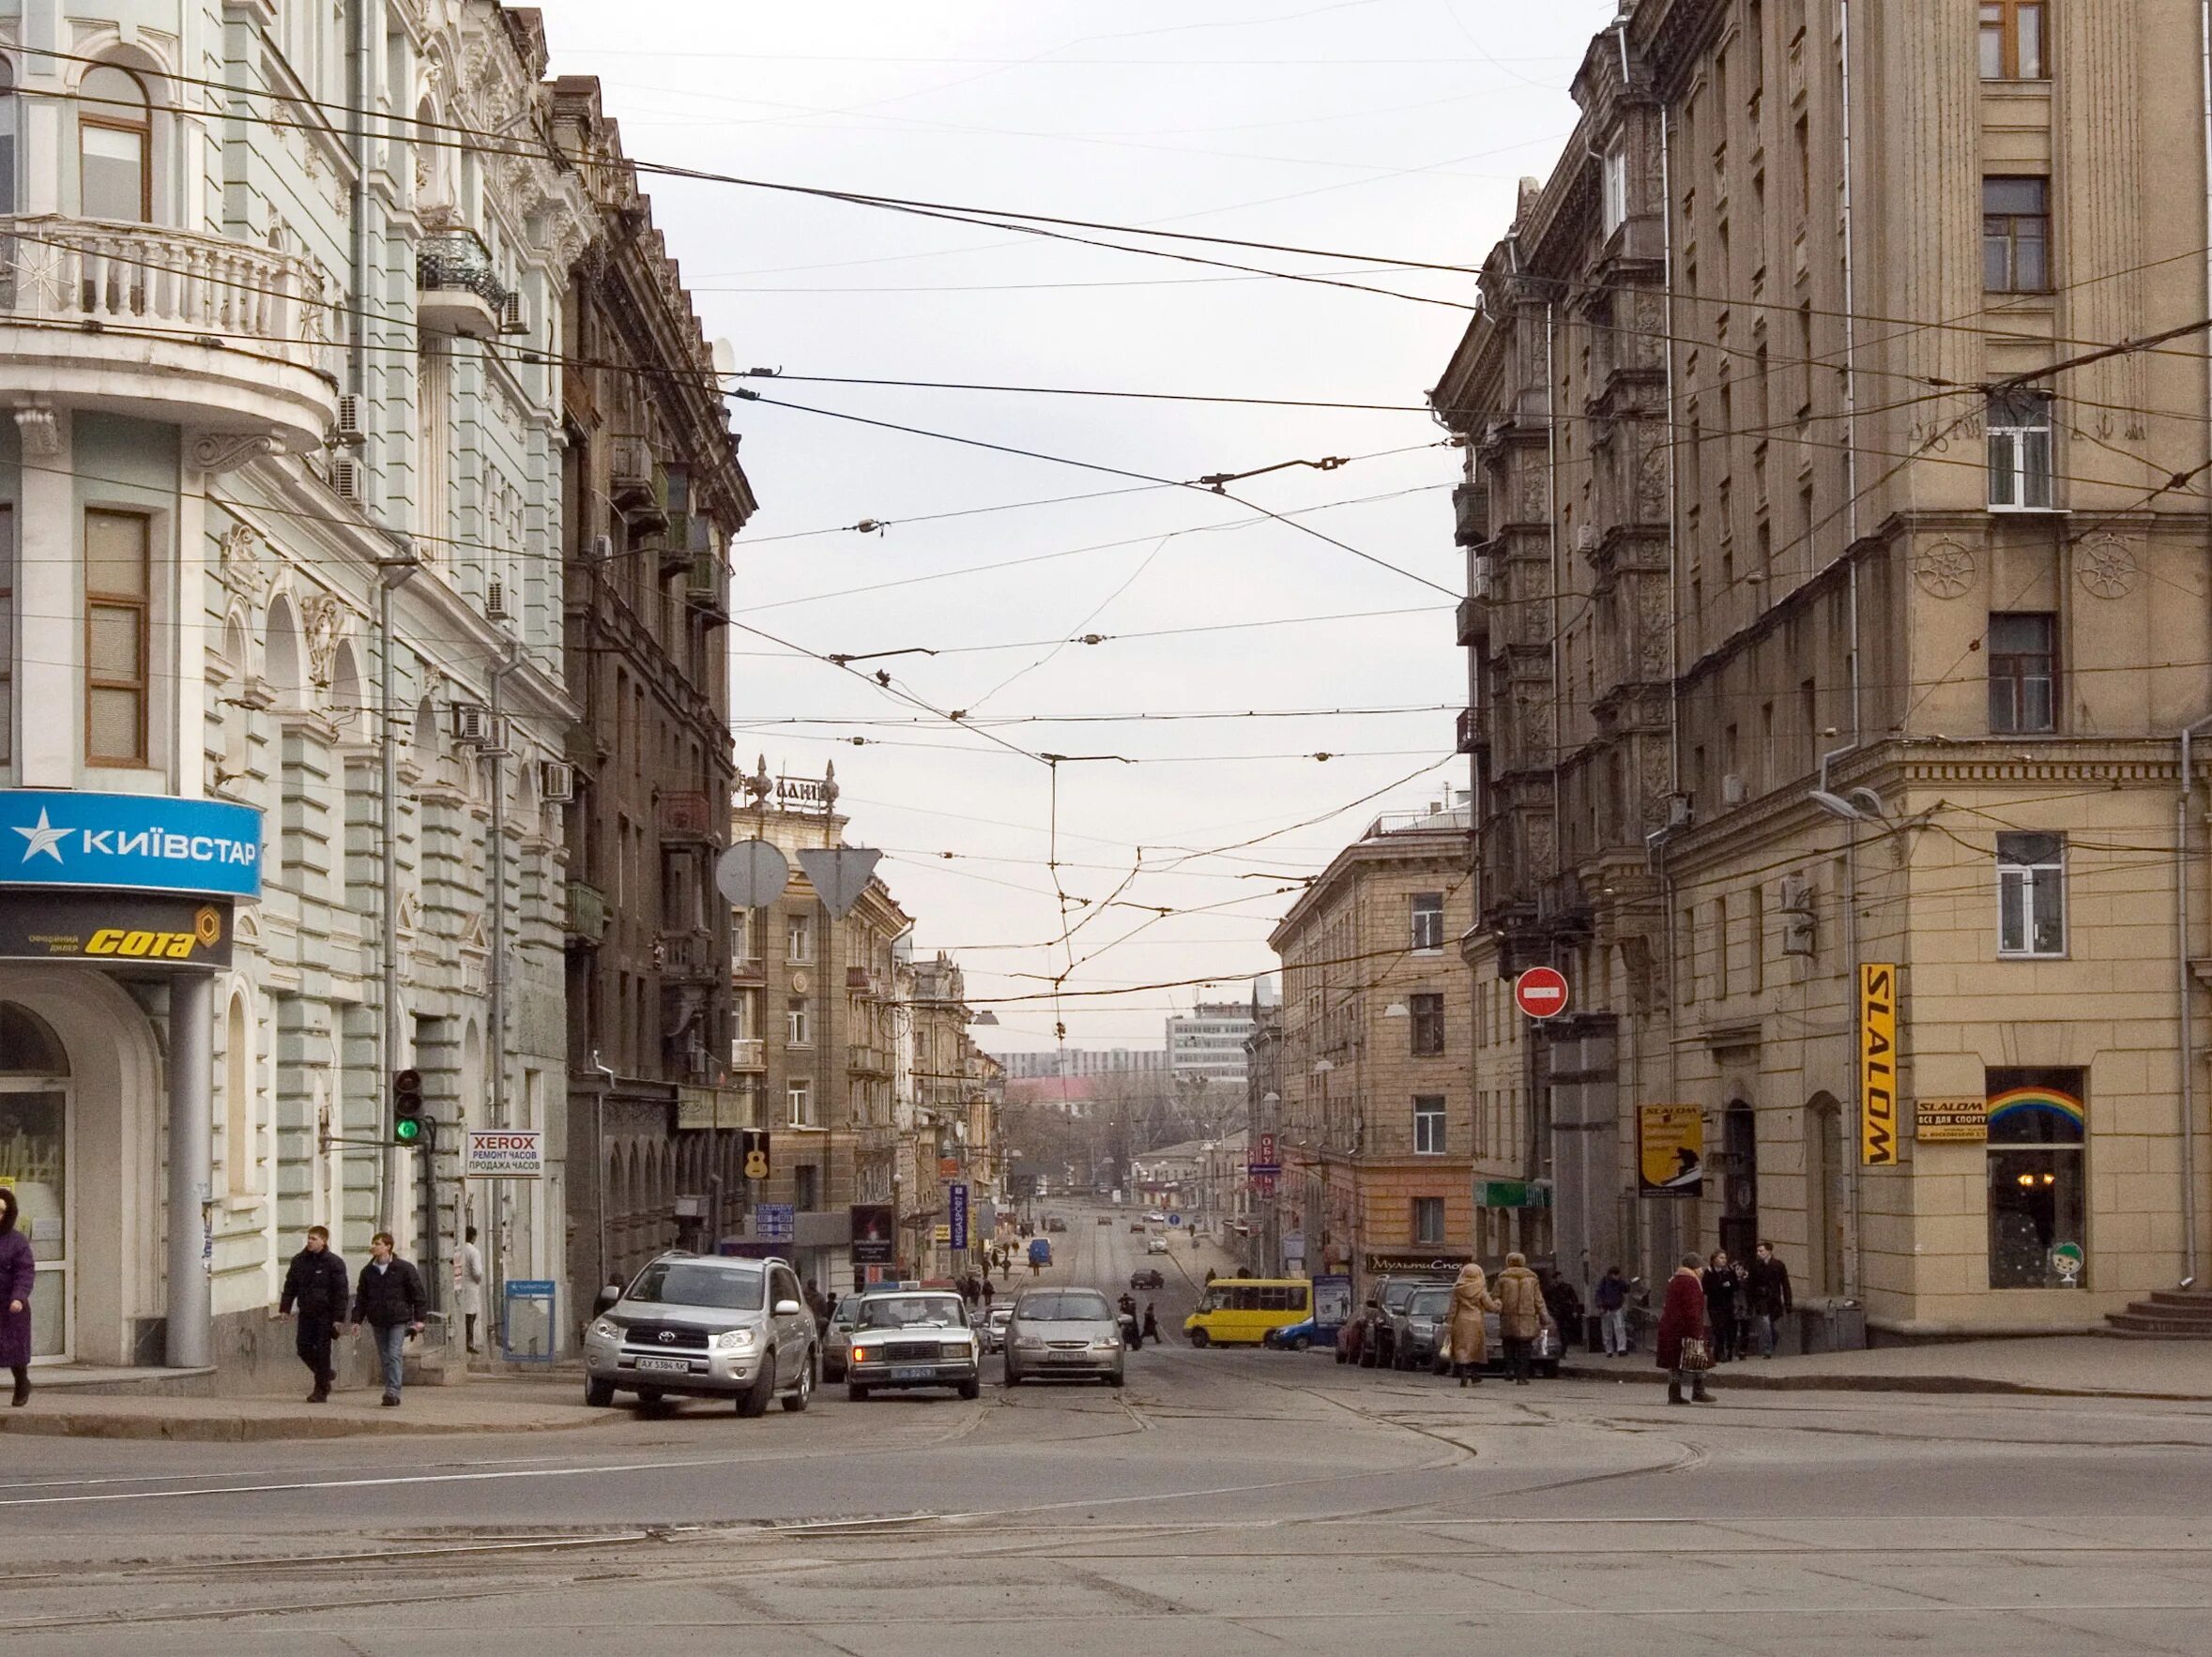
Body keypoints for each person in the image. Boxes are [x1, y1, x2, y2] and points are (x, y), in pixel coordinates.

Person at [350, 1232, 428, 1406]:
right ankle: (389, 1388)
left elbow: (417, 1294)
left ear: (388, 1247)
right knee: (384, 1356)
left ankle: (393, 1391)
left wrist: (420, 1319)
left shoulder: (403, 1268)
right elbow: (362, 1298)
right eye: (373, 1243)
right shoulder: (368, 1271)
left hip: (398, 1318)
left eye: (378, 1243)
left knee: (394, 1354)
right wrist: (356, 1320)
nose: (374, 1246)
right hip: (377, 1318)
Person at [277, 1224, 350, 1402]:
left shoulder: (333, 1262)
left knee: (323, 1350)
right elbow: (290, 1286)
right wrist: (285, 1308)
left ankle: (321, 1390)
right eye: (309, 1238)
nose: (310, 1242)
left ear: (323, 1241)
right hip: (306, 1311)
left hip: (325, 1314)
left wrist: (338, 1318)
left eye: (314, 1239)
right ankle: (325, 1373)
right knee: (303, 1347)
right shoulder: (300, 1260)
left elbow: (341, 1292)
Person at [1657, 1252, 1715, 1406]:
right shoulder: (1691, 1282)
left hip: (1671, 1328)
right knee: (1700, 1358)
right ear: (1694, 1267)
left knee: (1675, 1363)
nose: (1702, 1271)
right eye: (1700, 1267)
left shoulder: (1675, 1280)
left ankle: (1674, 1394)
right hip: (1685, 1328)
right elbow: (1692, 1309)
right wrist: (1697, 1331)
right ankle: (1699, 1391)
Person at [0, 1187, 36, 1408]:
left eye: (1, 1210)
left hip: (10, 1305)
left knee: (14, 1351)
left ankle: (22, 1383)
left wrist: (18, 1298)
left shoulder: (17, 1241)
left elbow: (25, 1271)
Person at [1444, 1260, 1499, 1388]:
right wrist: (1498, 1304)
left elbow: (1453, 1309)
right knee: (1476, 1348)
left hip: (1461, 1320)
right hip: (1476, 1320)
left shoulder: (1458, 1289)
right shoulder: (1481, 1289)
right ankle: (1475, 1375)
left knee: (1462, 1348)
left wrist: (1449, 1323)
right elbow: (1490, 1306)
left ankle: (1463, 1375)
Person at [1495, 1252, 1546, 1386]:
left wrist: (1496, 1306)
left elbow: (1495, 1296)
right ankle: (1522, 1376)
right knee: (1525, 1347)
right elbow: (1538, 1300)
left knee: (1508, 1344)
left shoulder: (1503, 1278)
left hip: (1508, 1316)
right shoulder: (1532, 1279)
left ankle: (1509, 1370)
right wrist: (1544, 1316)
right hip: (1526, 1317)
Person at [1747, 1240, 1793, 1359]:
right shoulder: (1755, 1265)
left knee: (1773, 1327)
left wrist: (1788, 1303)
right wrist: (1750, 1303)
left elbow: (1785, 1284)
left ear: (1769, 1251)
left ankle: (1771, 1343)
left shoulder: (1778, 1265)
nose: (1759, 1253)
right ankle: (1767, 1349)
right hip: (1761, 1300)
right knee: (1765, 1323)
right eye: (1758, 1251)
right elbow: (1750, 1285)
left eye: (1761, 1251)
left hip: (1774, 1299)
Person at [1701, 1250, 1743, 1363]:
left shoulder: (1729, 1271)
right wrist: (1722, 1286)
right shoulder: (1709, 1272)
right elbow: (1706, 1288)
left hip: (1728, 1305)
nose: (1723, 1260)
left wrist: (1727, 1285)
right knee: (1718, 1329)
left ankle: (1729, 1350)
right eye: (1721, 1258)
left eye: (1724, 1258)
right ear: (1714, 1259)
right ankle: (1720, 1352)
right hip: (1715, 1305)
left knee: (1729, 1329)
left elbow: (1735, 1286)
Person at [453, 1225, 484, 1355]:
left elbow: (456, 1269)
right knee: (471, 1315)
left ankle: (462, 1341)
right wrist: (478, 1280)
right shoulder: (474, 1252)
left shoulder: (457, 1250)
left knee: (463, 1314)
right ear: (473, 1237)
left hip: (459, 1285)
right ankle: (469, 1343)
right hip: (471, 1286)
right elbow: (477, 1272)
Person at [1594, 1266, 1631, 1357]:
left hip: (1617, 1307)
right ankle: (1609, 1350)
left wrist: (1627, 1284)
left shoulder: (1619, 1282)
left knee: (1620, 1328)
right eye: (1616, 1275)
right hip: (1606, 1308)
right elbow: (1599, 1294)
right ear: (1611, 1275)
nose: (1618, 1277)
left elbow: (1626, 1290)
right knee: (1607, 1330)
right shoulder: (1604, 1282)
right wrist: (1600, 1306)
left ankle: (1621, 1349)